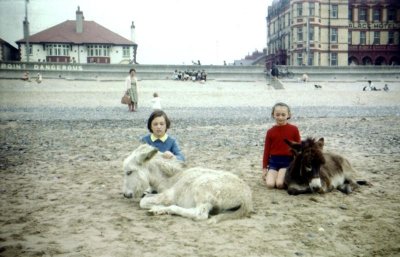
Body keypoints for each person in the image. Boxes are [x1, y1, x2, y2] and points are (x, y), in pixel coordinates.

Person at [262, 102, 301, 189]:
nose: (280, 117)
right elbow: (266, 151)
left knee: (279, 184)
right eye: (278, 114)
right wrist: (264, 168)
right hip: (273, 162)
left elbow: (299, 148)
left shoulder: (294, 130)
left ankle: (283, 176)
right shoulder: (270, 132)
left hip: (287, 162)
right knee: (270, 185)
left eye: (283, 115)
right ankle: (272, 175)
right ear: (273, 115)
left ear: (288, 115)